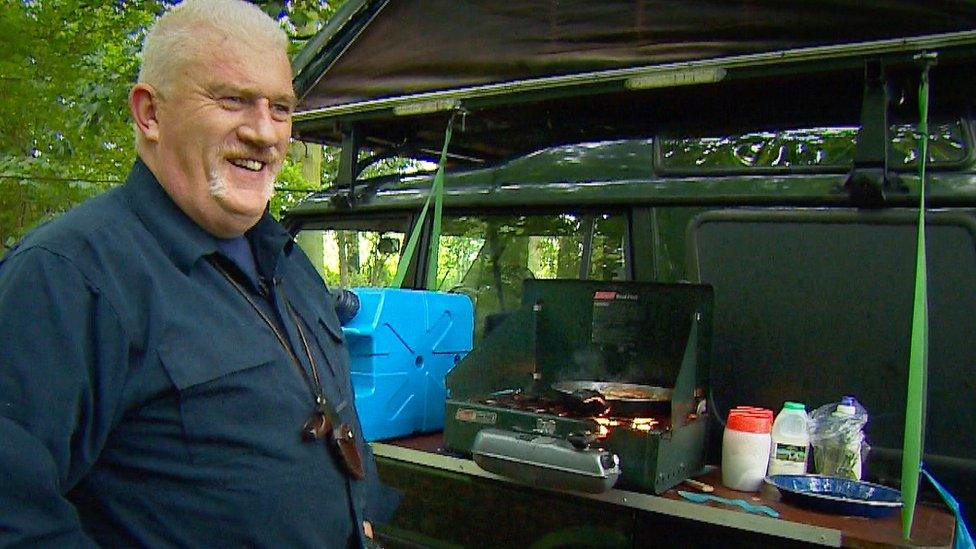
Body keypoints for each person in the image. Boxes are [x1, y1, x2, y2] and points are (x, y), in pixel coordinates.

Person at [0, 0, 393, 546]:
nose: (264, 132)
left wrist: (360, 512)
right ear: (150, 114)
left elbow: (332, 409)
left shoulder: (290, 264)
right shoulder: (67, 276)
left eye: (280, 108)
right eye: (232, 100)